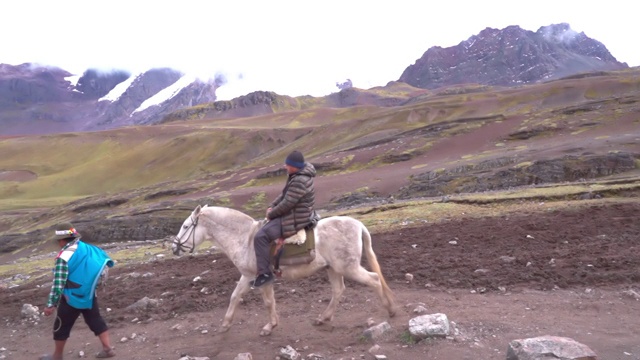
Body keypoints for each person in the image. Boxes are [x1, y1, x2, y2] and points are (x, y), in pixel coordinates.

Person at [40, 223, 116, 360]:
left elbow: (58, 283)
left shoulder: (63, 257)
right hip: (89, 292)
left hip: (71, 296)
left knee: (61, 325)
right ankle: (107, 348)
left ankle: (57, 356)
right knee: (95, 319)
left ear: (62, 240)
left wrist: (51, 304)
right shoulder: (87, 248)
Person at [252, 150, 316, 288]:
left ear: (295, 166)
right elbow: (284, 195)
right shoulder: (298, 175)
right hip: (295, 212)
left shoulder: (300, 180)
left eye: (288, 165)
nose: (285, 167)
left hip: (296, 217)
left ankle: (265, 274)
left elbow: (288, 203)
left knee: (260, 236)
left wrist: (271, 214)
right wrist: (272, 206)